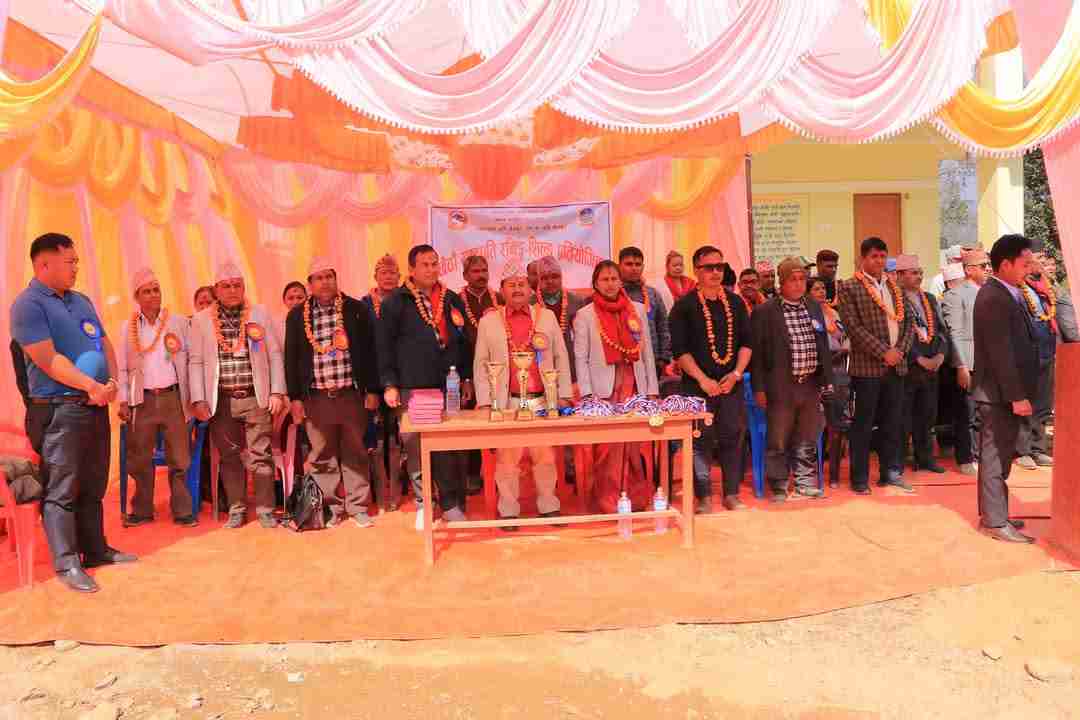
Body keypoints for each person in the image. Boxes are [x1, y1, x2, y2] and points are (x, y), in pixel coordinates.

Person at [11, 233, 135, 593]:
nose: (76, 268)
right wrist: (90, 385)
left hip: (94, 406)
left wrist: (112, 383)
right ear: (44, 264)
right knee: (61, 490)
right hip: (59, 410)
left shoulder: (81, 300)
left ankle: (95, 550)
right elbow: (47, 359)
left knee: (93, 485)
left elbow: (104, 343)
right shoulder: (28, 305)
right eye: (70, 262)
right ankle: (67, 564)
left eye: (77, 261)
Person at [378, 244, 474, 530]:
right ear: (411, 269)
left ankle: (452, 504)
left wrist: (467, 378)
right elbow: (384, 348)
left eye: (434, 264)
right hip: (413, 388)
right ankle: (424, 504)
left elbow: (464, 343)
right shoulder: (396, 302)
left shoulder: (451, 299)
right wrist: (389, 384)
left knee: (451, 445)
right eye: (425, 264)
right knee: (416, 447)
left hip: (450, 386)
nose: (431, 269)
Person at [189, 260, 287, 529]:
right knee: (230, 456)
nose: (232, 290)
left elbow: (275, 355)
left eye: (237, 285)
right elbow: (195, 362)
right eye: (226, 286)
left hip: (256, 396)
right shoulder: (201, 320)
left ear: (243, 287)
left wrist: (277, 391)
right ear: (216, 290)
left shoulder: (259, 313)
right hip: (221, 399)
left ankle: (266, 510)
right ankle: (237, 509)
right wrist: (199, 399)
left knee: (261, 454)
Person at [475, 263, 573, 526]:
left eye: (522, 284)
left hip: (542, 398)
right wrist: (485, 402)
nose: (517, 289)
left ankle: (549, 505)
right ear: (501, 290)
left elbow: (561, 356)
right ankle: (508, 510)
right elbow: (480, 363)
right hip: (506, 401)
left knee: (545, 456)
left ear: (530, 289)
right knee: (507, 459)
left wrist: (564, 394)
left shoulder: (546, 318)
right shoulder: (488, 321)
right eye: (511, 285)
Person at [285, 258, 380, 528]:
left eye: (329, 276)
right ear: (310, 284)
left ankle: (358, 506)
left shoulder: (356, 309)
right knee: (322, 455)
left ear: (336, 279)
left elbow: (371, 352)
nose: (325, 282)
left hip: (351, 394)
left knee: (355, 451)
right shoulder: (297, 315)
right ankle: (331, 509)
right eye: (319, 278)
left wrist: (372, 389)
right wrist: (295, 398)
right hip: (316, 397)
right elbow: (291, 359)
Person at [670, 246, 753, 512]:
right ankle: (704, 497)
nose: (716, 272)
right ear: (697, 270)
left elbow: (747, 344)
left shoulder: (736, 303)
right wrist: (703, 380)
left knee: (733, 437)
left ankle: (732, 494)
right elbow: (680, 351)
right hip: (697, 386)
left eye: (720, 266)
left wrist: (736, 374)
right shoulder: (683, 306)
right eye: (709, 267)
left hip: (731, 384)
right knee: (699, 441)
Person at [574, 261, 658, 512]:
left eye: (614, 279)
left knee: (632, 443)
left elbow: (647, 353)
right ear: (595, 283)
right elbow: (581, 357)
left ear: (621, 281)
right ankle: (607, 499)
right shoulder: (585, 314)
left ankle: (635, 497)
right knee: (608, 446)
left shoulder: (638, 309)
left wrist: (652, 390)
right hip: (603, 390)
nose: (610, 284)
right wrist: (587, 394)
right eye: (604, 279)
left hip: (634, 384)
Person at [116, 268, 197, 528]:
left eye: (156, 290)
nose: (153, 295)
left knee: (180, 458)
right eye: (147, 291)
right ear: (137, 297)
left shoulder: (178, 322)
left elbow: (192, 360)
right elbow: (121, 368)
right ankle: (142, 511)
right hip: (142, 400)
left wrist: (194, 397)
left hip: (174, 398)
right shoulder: (127, 327)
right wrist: (123, 399)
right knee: (139, 458)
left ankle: (183, 511)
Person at [972, 234, 1039, 543]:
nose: (1030, 269)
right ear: (1005, 264)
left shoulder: (1008, 293)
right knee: (995, 458)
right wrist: (1017, 396)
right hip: (998, 395)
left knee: (1001, 457)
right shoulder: (993, 297)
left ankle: (996, 513)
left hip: (1004, 394)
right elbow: (1001, 354)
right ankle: (995, 522)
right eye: (1024, 264)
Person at [837, 237, 915, 494]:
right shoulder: (849, 287)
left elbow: (909, 323)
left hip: (896, 365)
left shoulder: (895, 286)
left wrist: (900, 351)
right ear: (863, 259)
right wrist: (884, 352)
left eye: (882, 256)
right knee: (863, 423)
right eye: (874, 256)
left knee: (893, 421)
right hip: (867, 368)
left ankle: (890, 472)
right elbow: (853, 328)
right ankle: (859, 478)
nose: (879, 261)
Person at [750, 258, 833, 501]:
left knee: (807, 436)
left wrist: (826, 379)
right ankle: (778, 485)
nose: (798, 284)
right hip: (780, 386)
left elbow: (822, 344)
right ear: (782, 283)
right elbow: (757, 355)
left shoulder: (813, 306)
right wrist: (759, 389)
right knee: (778, 438)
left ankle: (805, 483)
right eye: (792, 280)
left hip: (810, 383)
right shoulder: (765, 312)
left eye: (802, 279)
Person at [534, 254, 588, 483]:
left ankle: (572, 468)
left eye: (555, 276)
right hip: (540, 371)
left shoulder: (577, 301)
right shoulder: (531, 304)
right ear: (538, 280)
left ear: (562, 277)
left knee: (570, 422)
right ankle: (548, 471)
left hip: (573, 370)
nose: (550, 281)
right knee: (544, 424)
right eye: (545, 277)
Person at [895, 255, 950, 474]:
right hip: (908, 366)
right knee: (902, 417)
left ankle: (925, 458)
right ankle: (897, 462)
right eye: (914, 273)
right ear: (900, 275)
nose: (919, 277)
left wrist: (940, 356)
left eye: (920, 272)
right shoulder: (895, 300)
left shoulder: (930, 298)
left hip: (932, 366)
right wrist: (918, 358)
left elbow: (942, 331)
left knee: (927, 416)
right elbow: (897, 335)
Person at [940, 249, 989, 476]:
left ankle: (981, 454)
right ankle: (966, 458)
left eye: (988, 265)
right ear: (969, 270)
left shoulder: (989, 292)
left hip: (988, 363)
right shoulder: (955, 295)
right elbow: (955, 334)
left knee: (984, 413)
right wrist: (961, 365)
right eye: (983, 265)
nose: (988, 269)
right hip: (968, 363)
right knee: (966, 413)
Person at [363, 254, 405, 511]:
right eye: (384, 273)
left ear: (399, 277)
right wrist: (370, 387)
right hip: (373, 382)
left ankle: (397, 494)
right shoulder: (364, 305)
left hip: (402, 380)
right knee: (376, 441)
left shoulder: (407, 301)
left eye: (393, 273)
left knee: (399, 439)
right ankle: (380, 493)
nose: (388, 277)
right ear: (375, 276)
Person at [458, 254, 500, 494]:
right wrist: (465, 377)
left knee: (498, 422)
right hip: (469, 374)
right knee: (472, 425)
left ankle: (497, 474)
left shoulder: (499, 299)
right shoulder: (455, 301)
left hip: (498, 373)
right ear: (465, 275)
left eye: (484, 270)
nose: (481, 275)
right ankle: (472, 474)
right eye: (475, 271)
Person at [1014, 255, 1057, 470]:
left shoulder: (1044, 289)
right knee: (1027, 404)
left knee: (1042, 404)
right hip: (1027, 355)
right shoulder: (1018, 289)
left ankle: (1038, 449)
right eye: (1039, 260)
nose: (1044, 264)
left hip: (1047, 351)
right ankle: (1022, 451)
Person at [618, 246, 672, 376]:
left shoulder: (653, 294)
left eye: (638, 264)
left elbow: (664, 327)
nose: (634, 268)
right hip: (622, 361)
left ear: (643, 267)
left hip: (652, 360)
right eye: (629, 264)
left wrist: (663, 358)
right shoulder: (613, 294)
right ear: (619, 266)